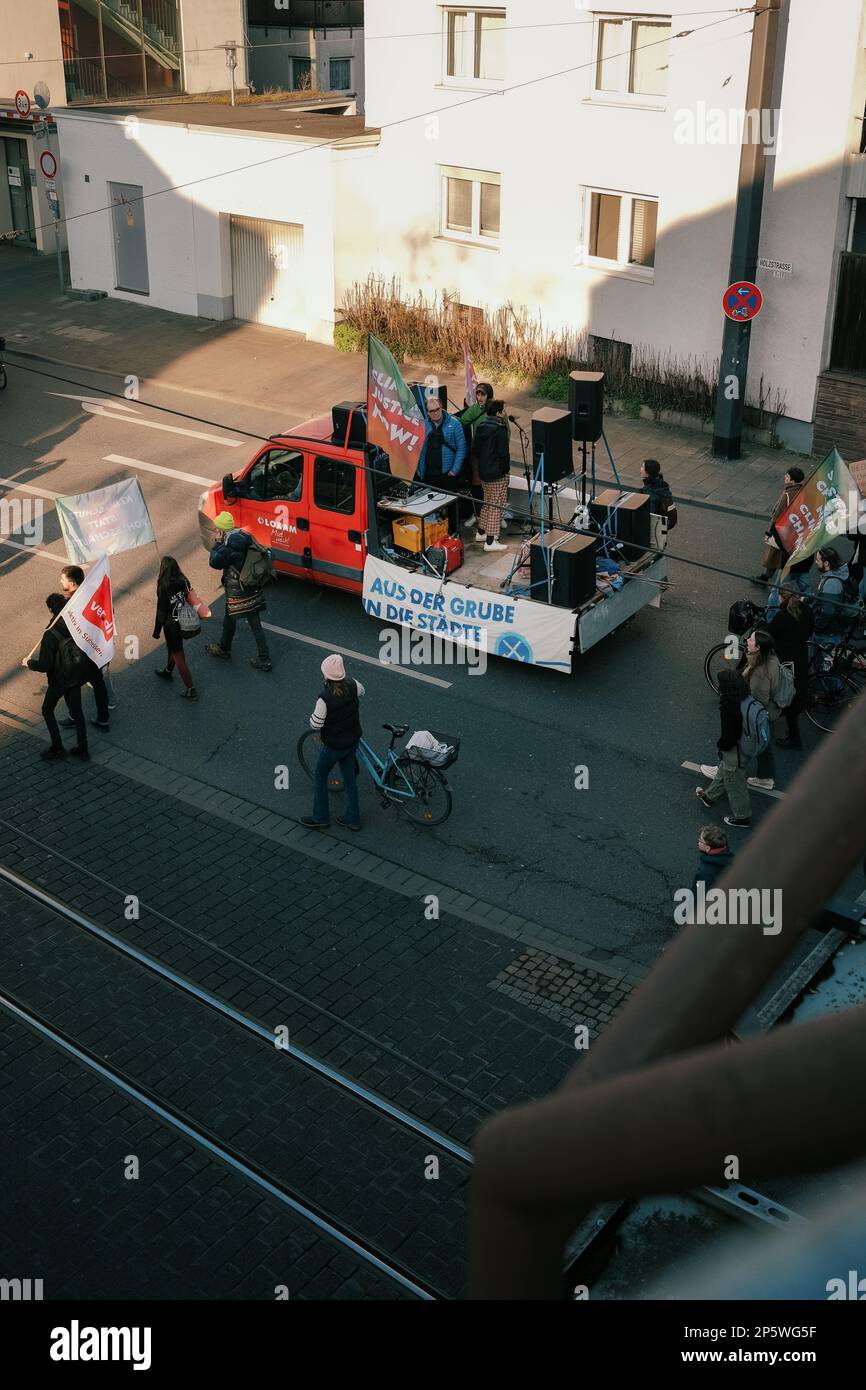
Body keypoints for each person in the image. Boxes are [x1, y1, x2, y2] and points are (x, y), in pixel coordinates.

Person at [22, 593, 89, 761]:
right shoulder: (76, 626)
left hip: (59, 680)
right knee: (77, 712)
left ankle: (57, 747)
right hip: (75, 676)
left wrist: (29, 663)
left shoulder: (50, 635)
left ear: (51, 610)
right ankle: (83, 749)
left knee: (47, 710)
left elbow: (45, 665)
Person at [302, 654, 364, 832]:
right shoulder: (353, 685)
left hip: (334, 746)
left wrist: (313, 717)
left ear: (326, 676)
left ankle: (320, 817)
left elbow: (316, 724)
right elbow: (363, 691)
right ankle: (353, 819)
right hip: (352, 741)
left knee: (320, 777)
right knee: (349, 779)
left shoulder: (325, 698)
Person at [206, 511, 272, 671]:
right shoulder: (244, 537)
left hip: (238, 592)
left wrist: (216, 542)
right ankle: (225, 647)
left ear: (221, 531)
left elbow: (214, 562)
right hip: (251, 588)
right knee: (241, 620)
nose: (215, 531)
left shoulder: (228, 548)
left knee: (239, 620)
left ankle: (262, 658)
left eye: (217, 529)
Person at [695, 667, 753, 829]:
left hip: (736, 750)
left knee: (735, 784)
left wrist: (721, 747)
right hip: (747, 744)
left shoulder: (729, 707)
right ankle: (709, 797)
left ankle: (743, 817)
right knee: (725, 771)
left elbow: (729, 736)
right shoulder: (745, 697)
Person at [59, 564, 111, 730]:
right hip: (95, 649)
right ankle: (103, 718)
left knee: (71, 686)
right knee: (98, 684)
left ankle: (75, 717)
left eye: (63, 579)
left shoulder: (72, 603)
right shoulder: (91, 595)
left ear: (73, 583)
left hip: (81, 653)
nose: (60, 581)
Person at [768, 588, 813, 749]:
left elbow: (769, 634)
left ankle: (793, 737)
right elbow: (809, 631)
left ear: (782, 598)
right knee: (795, 690)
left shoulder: (782, 616)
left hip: (786, 661)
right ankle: (791, 732)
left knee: (782, 691)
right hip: (800, 657)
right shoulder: (806, 611)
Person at [740, 628, 782, 790]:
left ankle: (726, 769)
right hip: (771, 711)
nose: (747, 641)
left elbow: (758, 700)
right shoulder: (771, 658)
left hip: (761, 713)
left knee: (745, 740)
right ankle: (766, 776)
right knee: (764, 743)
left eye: (750, 640)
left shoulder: (760, 672)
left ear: (758, 648)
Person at [153, 556, 198, 700]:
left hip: (171, 626)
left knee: (179, 657)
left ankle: (191, 689)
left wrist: (156, 632)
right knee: (172, 649)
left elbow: (161, 611)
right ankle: (168, 670)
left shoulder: (163, 587)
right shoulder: (184, 581)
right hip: (184, 621)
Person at [751, 467, 804, 585]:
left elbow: (777, 515)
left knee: (774, 554)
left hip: (782, 531)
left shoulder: (788, 495)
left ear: (792, 480)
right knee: (783, 556)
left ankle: (771, 580)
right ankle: (770, 578)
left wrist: (769, 532)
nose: (785, 477)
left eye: (787, 476)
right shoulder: (802, 491)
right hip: (795, 530)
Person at [472, 400, 511, 553]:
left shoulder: (481, 426)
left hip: (483, 472)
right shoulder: (500, 429)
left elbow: (475, 449)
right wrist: (504, 470)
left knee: (487, 502)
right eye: (503, 410)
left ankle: (481, 532)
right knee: (496, 505)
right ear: (498, 413)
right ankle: (491, 540)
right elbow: (503, 453)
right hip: (497, 473)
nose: (505, 412)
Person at [415, 394, 467, 493]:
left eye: (437, 409)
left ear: (441, 408)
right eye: (432, 411)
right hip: (429, 474)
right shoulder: (422, 425)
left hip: (447, 474)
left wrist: (454, 470)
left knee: (450, 504)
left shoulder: (455, 424)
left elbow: (462, 448)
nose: (435, 413)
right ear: (427, 413)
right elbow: (418, 448)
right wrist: (420, 470)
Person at [811, 544, 851, 642]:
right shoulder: (832, 576)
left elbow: (828, 611)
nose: (816, 562)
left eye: (818, 560)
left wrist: (817, 627)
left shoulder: (831, 584)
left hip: (827, 634)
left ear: (826, 563)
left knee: (816, 655)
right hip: (831, 630)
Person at [690, 824, 734, 895]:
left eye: (700, 841)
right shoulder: (732, 858)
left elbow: (697, 896)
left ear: (707, 848)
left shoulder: (704, 874)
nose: (698, 842)